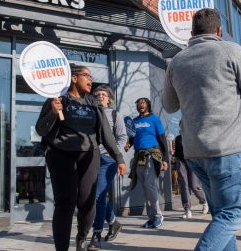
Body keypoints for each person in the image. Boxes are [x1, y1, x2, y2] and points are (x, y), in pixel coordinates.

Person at [162, 8, 241, 250]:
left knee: (220, 215)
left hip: (195, 153)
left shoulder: (177, 61)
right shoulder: (231, 51)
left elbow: (169, 105)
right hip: (226, 150)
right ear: (219, 31)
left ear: (192, 32)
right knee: (232, 215)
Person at [35, 64, 127, 251]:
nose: (91, 80)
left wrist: (119, 157)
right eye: (87, 76)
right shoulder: (58, 98)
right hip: (61, 154)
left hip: (89, 154)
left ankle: (82, 238)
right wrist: (53, 112)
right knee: (65, 203)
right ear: (74, 78)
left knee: (87, 202)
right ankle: (61, 248)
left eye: (91, 77)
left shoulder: (93, 102)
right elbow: (41, 129)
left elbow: (106, 133)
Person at [88, 85, 128, 250]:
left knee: (97, 195)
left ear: (109, 98)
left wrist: (115, 154)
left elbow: (122, 136)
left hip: (108, 160)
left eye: (103, 94)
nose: (100, 96)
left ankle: (96, 234)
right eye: (97, 94)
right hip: (91, 158)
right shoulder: (90, 112)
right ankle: (113, 222)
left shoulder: (113, 114)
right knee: (99, 195)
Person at [128, 97, 169, 229]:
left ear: (148, 106)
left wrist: (165, 160)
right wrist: (128, 144)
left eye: (143, 103)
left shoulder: (154, 119)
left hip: (152, 154)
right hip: (138, 156)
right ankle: (151, 218)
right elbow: (132, 138)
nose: (141, 105)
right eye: (139, 103)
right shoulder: (134, 121)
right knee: (145, 187)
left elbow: (162, 140)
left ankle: (158, 215)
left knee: (149, 184)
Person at [174, 134, 208, 219]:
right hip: (181, 161)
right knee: (184, 185)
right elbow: (177, 151)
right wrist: (173, 153)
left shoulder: (192, 135)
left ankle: (204, 201)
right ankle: (187, 209)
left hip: (193, 160)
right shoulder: (178, 138)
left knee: (194, 185)